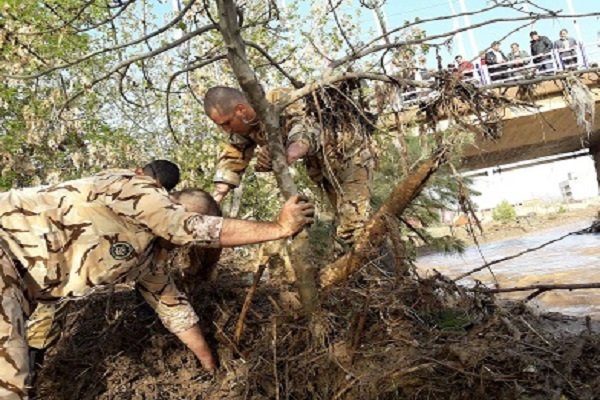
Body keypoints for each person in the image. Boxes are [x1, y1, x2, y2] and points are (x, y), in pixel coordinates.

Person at [0, 163, 314, 399]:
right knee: (10, 384)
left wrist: (211, 367)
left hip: (17, 287)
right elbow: (191, 227)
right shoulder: (138, 190)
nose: (183, 246)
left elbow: (175, 312)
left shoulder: (151, 259)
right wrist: (279, 228)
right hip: (5, 252)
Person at [204, 86, 373, 251]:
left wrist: (282, 155)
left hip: (350, 157)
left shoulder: (280, 100)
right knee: (344, 217)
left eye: (226, 123)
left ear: (241, 110)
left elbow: (305, 129)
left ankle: (377, 272)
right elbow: (233, 159)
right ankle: (362, 267)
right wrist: (211, 204)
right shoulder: (243, 126)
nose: (225, 130)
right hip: (322, 168)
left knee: (354, 225)